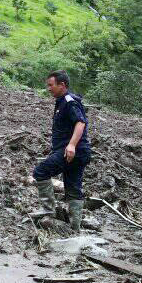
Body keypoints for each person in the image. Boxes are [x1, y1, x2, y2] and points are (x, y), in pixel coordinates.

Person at [32, 70, 90, 232]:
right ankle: (75, 227)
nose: (48, 88)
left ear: (62, 85)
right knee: (73, 187)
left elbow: (80, 123)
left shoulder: (69, 101)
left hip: (72, 150)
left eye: (51, 85)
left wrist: (71, 145)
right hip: (79, 152)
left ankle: (48, 209)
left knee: (40, 172)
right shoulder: (61, 101)